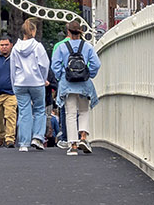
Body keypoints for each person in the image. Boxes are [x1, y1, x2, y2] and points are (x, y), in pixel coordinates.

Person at [51, 21, 101, 155]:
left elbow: (55, 65)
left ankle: (73, 144)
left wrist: (61, 76)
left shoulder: (62, 47)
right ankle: (83, 137)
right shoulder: (87, 46)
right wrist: (88, 74)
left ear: (68, 32)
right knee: (84, 110)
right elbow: (96, 64)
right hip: (84, 83)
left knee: (70, 113)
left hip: (68, 84)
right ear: (80, 32)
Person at [10, 18, 51, 151]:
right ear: (33, 31)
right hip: (36, 82)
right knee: (39, 109)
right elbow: (44, 64)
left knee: (24, 112)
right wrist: (42, 78)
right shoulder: (37, 46)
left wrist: (14, 84)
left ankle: (24, 143)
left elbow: (12, 69)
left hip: (20, 83)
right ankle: (37, 137)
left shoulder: (15, 48)